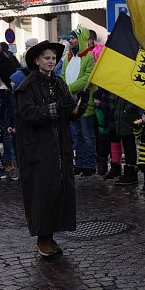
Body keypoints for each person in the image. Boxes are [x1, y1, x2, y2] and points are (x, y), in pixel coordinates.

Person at [14, 40, 84, 258]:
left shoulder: (60, 83)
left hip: (60, 146)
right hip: (38, 147)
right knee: (42, 191)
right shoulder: (27, 86)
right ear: (37, 61)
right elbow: (28, 114)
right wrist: (54, 108)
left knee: (59, 190)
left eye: (53, 58)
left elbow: (69, 115)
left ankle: (51, 235)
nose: (51, 61)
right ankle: (42, 237)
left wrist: (79, 106)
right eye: (47, 58)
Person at [63, 27, 97, 177]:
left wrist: (70, 88)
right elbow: (63, 74)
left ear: (81, 39)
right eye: (70, 39)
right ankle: (80, 163)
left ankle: (90, 164)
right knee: (76, 135)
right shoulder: (68, 57)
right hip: (70, 102)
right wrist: (65, 90)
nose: (71, 41)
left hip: (84, 103)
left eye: (74, 38)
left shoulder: (89, 56)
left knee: (87, 136)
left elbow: (88, 77)